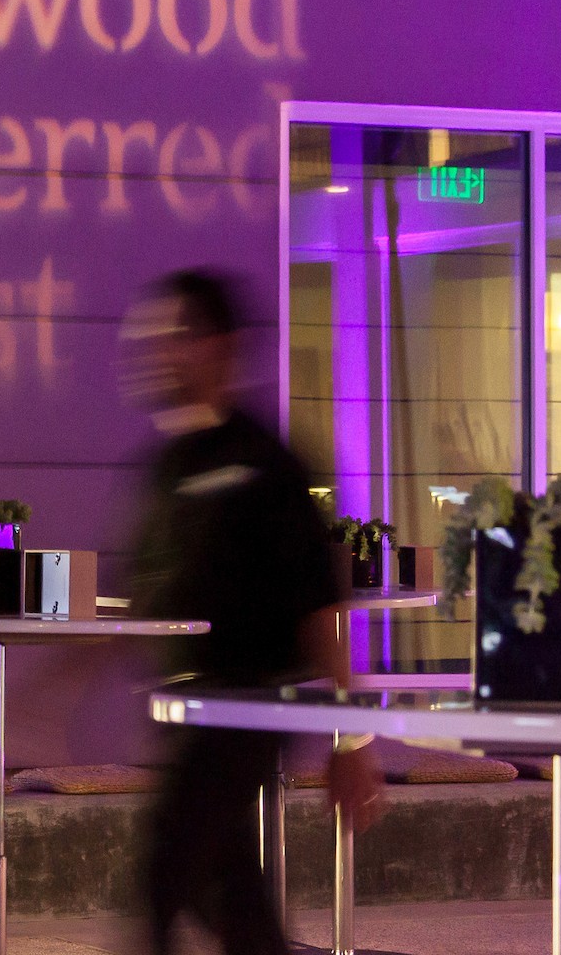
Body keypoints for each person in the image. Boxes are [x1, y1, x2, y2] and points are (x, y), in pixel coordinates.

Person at [122, 269, 381, 955]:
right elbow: (145, 594)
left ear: (226, 345)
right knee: (233, 901)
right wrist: (66, 678)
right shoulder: (169, 467)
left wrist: (351, 742)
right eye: (155, 337)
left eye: (181, 335)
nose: (162, 352)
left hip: (247, 710)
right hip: (185, 712)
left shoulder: (268, 466)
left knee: (162, 875)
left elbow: (321, 608)